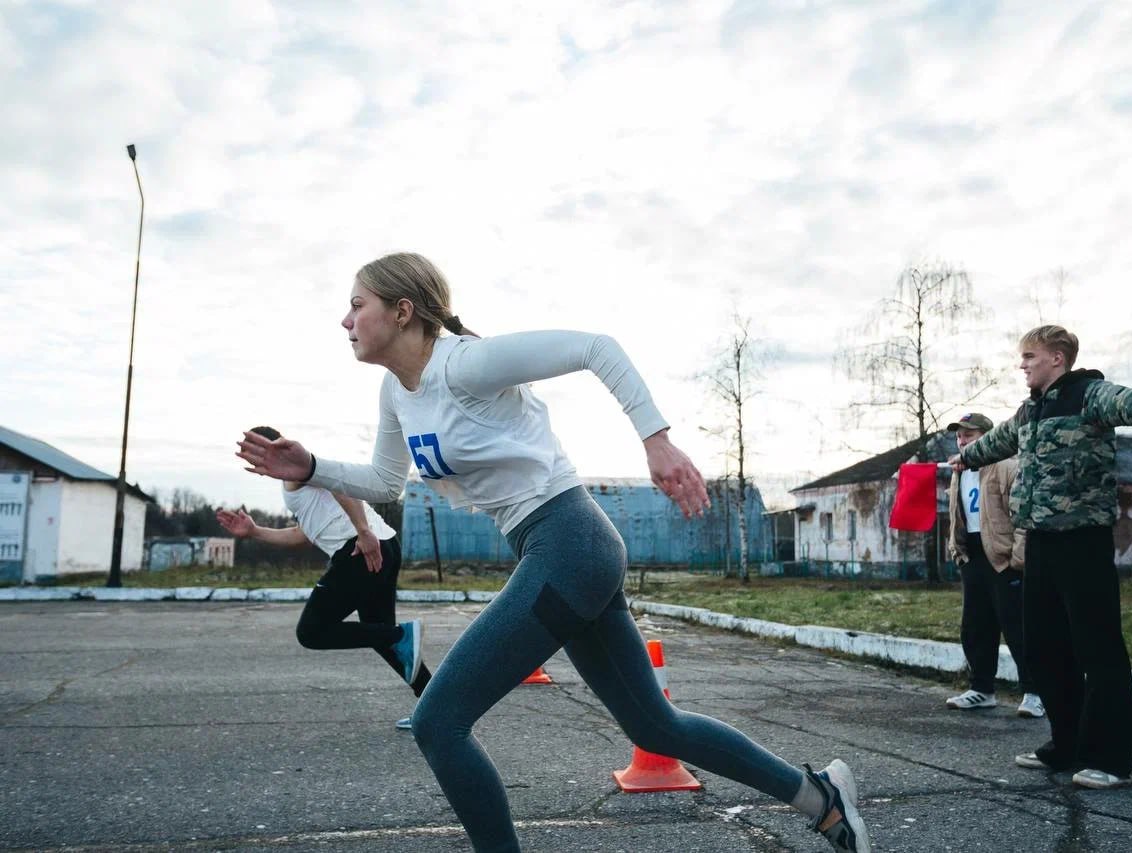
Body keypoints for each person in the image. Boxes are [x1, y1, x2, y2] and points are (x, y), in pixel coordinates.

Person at [235, 253, 870, 853]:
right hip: (562, 550)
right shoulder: (397, 392)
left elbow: (597, 347)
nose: (345, 320)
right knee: (655, 727)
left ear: (402, 311)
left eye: (357, 305)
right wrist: (311, 467)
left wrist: (656, 441)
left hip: (569, 542)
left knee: (438, 722)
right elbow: (383, 481)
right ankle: (820, 797)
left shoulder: (466, 364)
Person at [950, 325, 1132, 789]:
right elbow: (1000, 441)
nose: (1023, 365)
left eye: (1030, 356)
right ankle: (1067, 744)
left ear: (1057, 358)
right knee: (1044, 648)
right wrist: (967, 457)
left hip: (1083, 541)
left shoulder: (1090, 395)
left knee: (1098, 650)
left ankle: (1110, 757)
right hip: (1039, 541)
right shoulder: (1030, 410)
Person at [217, 426, 429, 705]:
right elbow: (303, 534)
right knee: (383, 639)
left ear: (271, 447)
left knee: (312, 632)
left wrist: (363, 532)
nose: (251, 459)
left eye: (254, 450)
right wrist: (254, 531)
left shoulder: (296, 468)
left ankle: (400, 634)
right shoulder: (292, 479)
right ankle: (436, 707)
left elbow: (340, 485)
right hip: (383, 546)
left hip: (359, 549)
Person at [943, 412, 1041, 719]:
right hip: (972, 554)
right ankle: (982, 689)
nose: (962, 441)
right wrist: (956, 549)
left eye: (969, 435)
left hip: (1003, 556)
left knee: (1018, 626)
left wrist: (1018, 557)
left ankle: (1036, 692)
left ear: (987, 437)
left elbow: (1024, 515)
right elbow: (958, 514)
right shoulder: (959, 471)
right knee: (975, 625)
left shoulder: (1008, 466)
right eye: (959, 436)